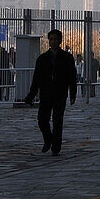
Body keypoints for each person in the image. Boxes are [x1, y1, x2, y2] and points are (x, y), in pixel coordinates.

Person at [23, 28, 77, 156]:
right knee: (42, 119)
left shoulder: (67, 58)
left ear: (60, 41)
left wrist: (73, 93)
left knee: (58, 121)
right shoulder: (42, 59)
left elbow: (72, 77)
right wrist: (31, 95)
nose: (53, 42)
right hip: (46, 94)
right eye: (51, 39)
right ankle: (48, 139)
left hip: (60, 93)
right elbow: (36, 79)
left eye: (55, 39)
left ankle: (56, 146)